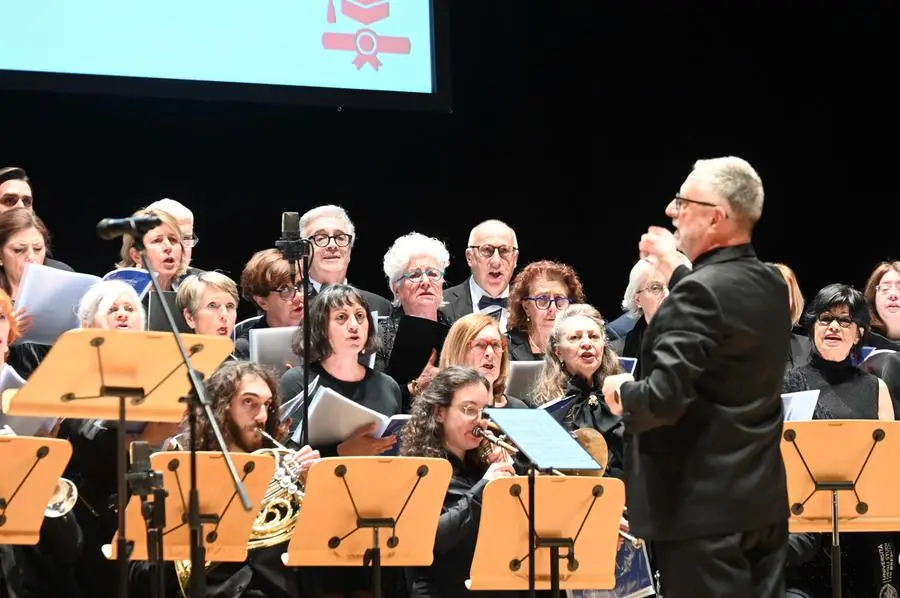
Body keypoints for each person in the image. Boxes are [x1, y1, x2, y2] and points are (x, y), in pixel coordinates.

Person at [601, 156, 791, 597]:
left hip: (703, 516)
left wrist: (621, 391)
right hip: (760, 506)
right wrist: (675, 266)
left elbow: (664, 400)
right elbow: (716, 302)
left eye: (683, 202)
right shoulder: (769, 283)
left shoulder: (698, 293)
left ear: (716, 217)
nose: (672, 211)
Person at [400, 366, 516, 598]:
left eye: (484, 411)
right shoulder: (419, 470)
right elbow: (434, 538)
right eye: (469, 409)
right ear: (439, 412)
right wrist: (485, 488)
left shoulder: (481, 466)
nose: (480, 421)